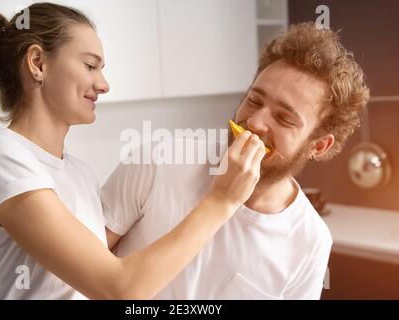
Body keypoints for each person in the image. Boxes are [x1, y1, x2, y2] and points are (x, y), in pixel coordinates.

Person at [0, 2, 266, 299]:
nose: (104, 85)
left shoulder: (80, 173)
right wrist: (222, 200)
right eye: (90, 65)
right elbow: (118, 288)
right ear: (38, 63)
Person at [102, 22, 370, 299]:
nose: (255, 122)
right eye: (254, 100)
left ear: (319, 145)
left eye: (284, 118)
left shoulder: (311, 241)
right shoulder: (158, 160)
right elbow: (78, 278)